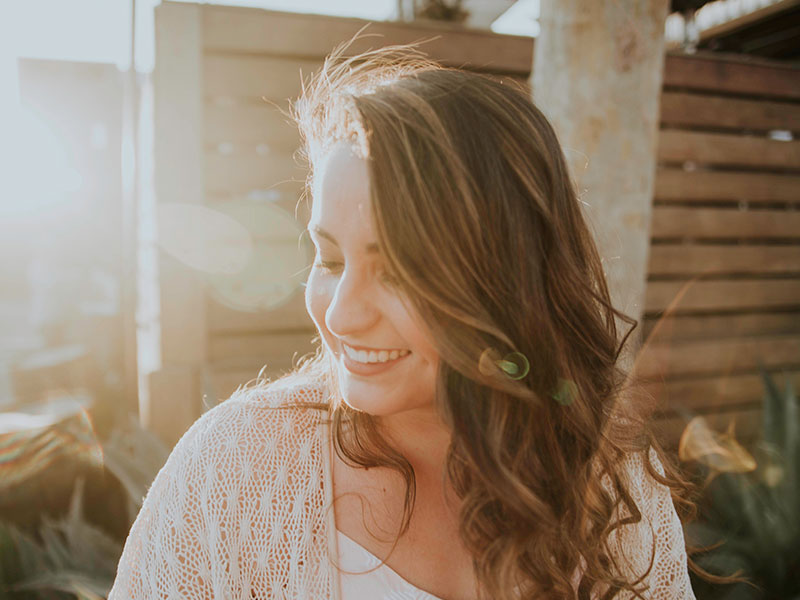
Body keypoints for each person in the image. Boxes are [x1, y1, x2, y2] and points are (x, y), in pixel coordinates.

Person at [109, 43, 697, 599]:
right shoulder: (233, 471)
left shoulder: (616, 483)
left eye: (400, 272)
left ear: (509, 277)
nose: (341, 314)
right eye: (331, 259)